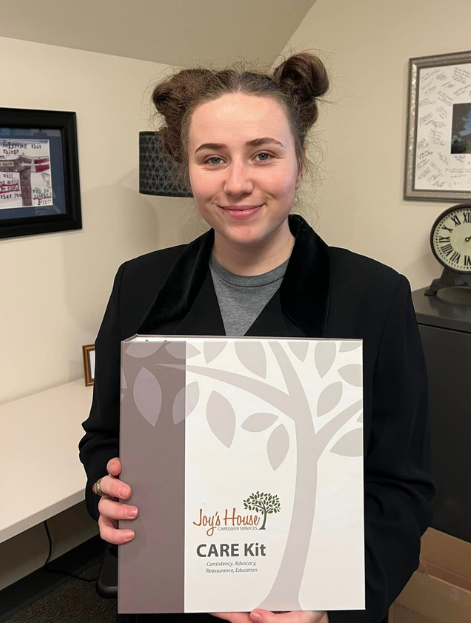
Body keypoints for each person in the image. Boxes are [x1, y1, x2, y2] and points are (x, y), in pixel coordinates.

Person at [79, 52, 435, 623]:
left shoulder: (376, 295)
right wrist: (107, 488)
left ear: (299, 160)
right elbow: (103, 437)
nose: (237, 183)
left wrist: (333, 605)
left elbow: (402, 486)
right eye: (212, 158)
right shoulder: (140, 283)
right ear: (186, 167)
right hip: (175, 593)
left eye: (263, 155)